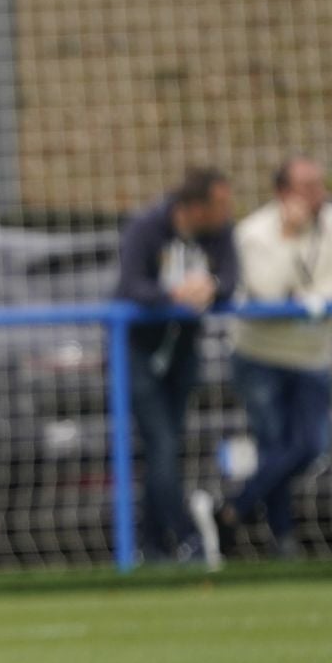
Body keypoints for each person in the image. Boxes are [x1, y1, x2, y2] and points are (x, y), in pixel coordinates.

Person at [195, 156, 332, 562]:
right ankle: (283, 542)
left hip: (312, 356)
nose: (316, 194)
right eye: (306, 186)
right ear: (282, 192)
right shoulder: (255, 232)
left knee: (310, 446)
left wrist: (313, 299)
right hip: (260, 355)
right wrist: (290, 237)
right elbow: (267, 292)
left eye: (319, 184)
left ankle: (230, 510)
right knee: (274, 446)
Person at [115, 167, 240, 564]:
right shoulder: (146, 228)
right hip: (139, 354)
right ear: (195, 207)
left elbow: (230, 279)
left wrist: (212, 288)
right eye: (219, 204)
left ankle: (152, 547)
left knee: (166, 451)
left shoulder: (219, 233)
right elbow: (129, 286)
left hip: (184, 354)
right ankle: (189, 537)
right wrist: (173, 295)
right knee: (163, 446)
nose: (227, 212)